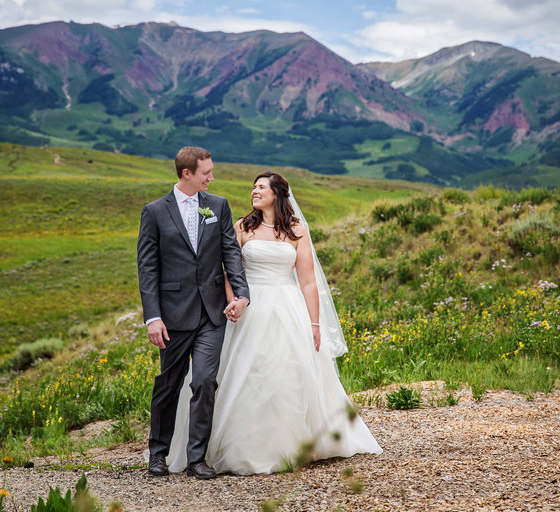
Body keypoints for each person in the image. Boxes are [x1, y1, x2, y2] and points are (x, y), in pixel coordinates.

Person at [164, 171, 382, 475]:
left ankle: (293, 444)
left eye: (261, 187)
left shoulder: (296, 230)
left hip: (287, 306)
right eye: (253, 186)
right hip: (249, 305)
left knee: (287, 373)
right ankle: (240, 447)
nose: (254, 191)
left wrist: (315, 324)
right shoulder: (242, 226)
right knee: (246, 372)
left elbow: (307, 282)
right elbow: (228, 269)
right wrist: (234, 300)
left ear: (278, 194)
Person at [137, 146, 250, 479]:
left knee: (203, 381)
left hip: (212, 313)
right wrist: (152, 317)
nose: (211, 178)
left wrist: (242, 295)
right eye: (206, 173)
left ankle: (196, 457)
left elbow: (230, 251)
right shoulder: (155, 212)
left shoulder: (218, 206)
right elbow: (147, 268)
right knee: (169, 384)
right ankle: (157, 453)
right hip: (172, 315)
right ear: (186, 173)